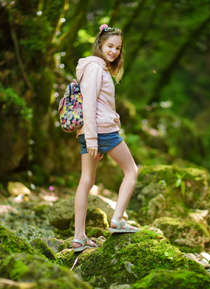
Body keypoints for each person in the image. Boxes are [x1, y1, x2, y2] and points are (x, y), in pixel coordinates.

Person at [72, 24, 139, 253]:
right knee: (131, 171)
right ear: (100, 44)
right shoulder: (94, 68)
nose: (114, 51)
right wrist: (93, 140)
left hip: (91, 131)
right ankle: (117, 219)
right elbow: (89, 103)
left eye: (118, 48)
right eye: (110, 46)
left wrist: (90, 137)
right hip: (100, 131)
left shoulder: (98, 68)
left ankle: (79, 237)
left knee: (87, 180)